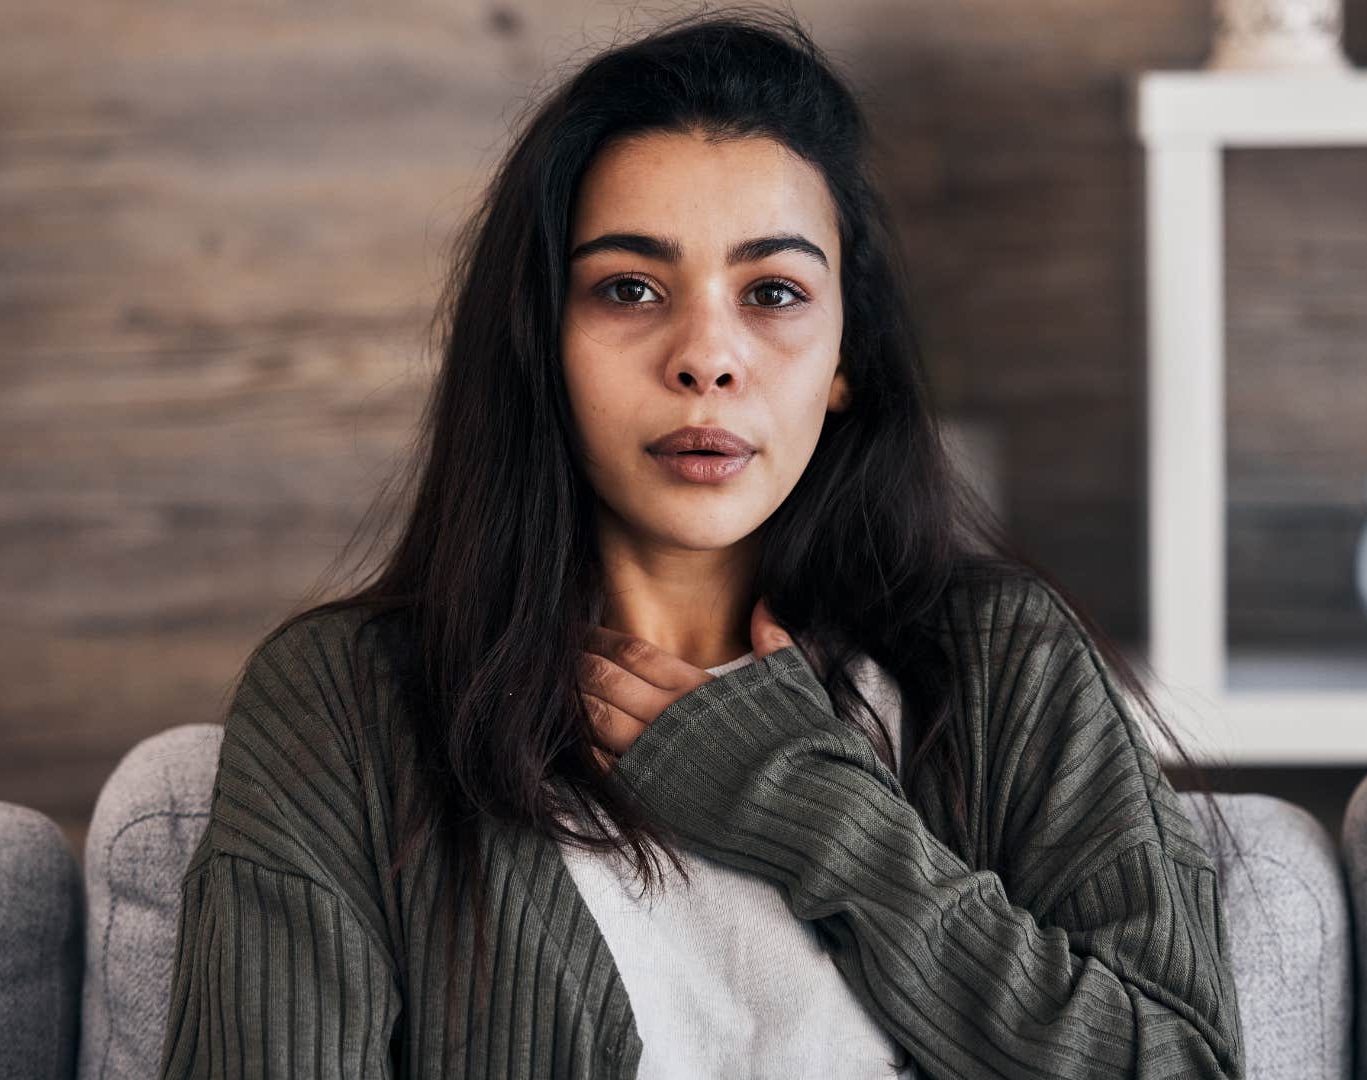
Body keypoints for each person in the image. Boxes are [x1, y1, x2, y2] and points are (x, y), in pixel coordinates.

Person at [158, 8, 1248, 1078]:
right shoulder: (343, 705)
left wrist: (815, 816)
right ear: (541, 340)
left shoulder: (1002, 660)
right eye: (630, 289)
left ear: (844, 358)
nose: (706, 358)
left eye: (773, 292)